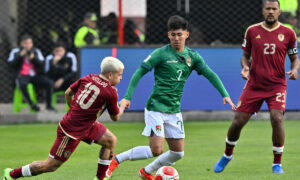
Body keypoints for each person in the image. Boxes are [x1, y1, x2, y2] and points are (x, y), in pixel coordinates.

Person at [106, 15, 236, 180]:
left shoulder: (193, 57)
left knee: (177, 153)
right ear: (168, 35)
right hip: (156, 107)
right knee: (156, 150)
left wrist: (225, 94)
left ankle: (146, 172)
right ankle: (116, 160)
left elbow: (211, 74)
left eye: (179, 34)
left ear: (186, 35)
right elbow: (139, 72)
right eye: (173, 35)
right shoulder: (160, 54)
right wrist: (127, 97)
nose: (176, 38)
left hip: (174, 110)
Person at [3, 56, 126, 180]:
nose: (121, 77)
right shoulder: (111, 92)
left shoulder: (88, 78)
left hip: (87, 125)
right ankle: (11, 174)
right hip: (70, 132)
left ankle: (100, 178)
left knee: (110, 141)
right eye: (119, 75)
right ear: (110, 75)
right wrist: (122, 106)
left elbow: (68, 93)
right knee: (50, 165)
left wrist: (73, 109)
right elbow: (115, 117)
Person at [214, 0, 300, 174]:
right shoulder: (252, 31)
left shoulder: (288, 33)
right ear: (262, 11)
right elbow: (245, 56)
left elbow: (294, 58)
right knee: (238, 121)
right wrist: (245, 67)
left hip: (276, 85)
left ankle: (277, 164)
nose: (270, 11)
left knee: (277, 118)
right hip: (254, 85)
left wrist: (294, 69)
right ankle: (227, 155)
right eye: (267, 8)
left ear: (279, 11)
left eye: (274, 9)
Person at [7, 34, 55, 112]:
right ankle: (32, 104)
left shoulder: (36, 51)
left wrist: (33, 58)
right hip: (21, 75)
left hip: (35, 75)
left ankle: (49, 106)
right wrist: (20, 56)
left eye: (30, 43)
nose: (28, 45)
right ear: (22, 44)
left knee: (49, 83)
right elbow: (10, 64)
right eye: (26, 43)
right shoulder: (15, 51)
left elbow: (42, 64)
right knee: (22, 85)